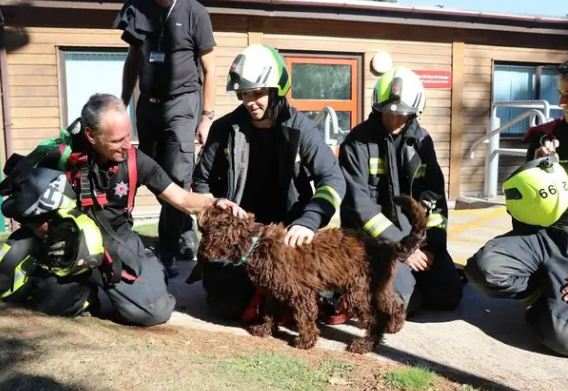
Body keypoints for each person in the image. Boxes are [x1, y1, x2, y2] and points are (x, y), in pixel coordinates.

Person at [0, 93, 243, 327]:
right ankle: (84, 293)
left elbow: (179, 197)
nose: (126, 145)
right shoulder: (61, 155)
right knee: (46, 301)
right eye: (117, 141)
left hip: (119, 240)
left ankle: (149, 272)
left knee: (153, 312)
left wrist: (213, 203)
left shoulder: (136, 160)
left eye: (128, 136)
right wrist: (42, 227)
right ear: (91, 135)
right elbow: (15, 201)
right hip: (70, 242)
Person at [191, 44, 346, 320]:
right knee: (225, 307)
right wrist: (215, 208)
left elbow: (332, 179)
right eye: (244, 94)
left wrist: (308, 221)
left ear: (277, 90)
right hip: (240, 238)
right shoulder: (224, 129)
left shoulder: (301, 128)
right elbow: (200, 182)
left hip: (288, 235)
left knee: (314, 302)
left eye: (258, 93)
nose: (250, 101)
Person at [465, 54, 568, 359]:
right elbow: (522, 206)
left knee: (565, 339)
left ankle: (564, 310)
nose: (562, 101)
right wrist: (536, 166)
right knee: (485, 268)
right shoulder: (550, 138)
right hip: (549, 234)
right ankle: (546, 293)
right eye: (560, 93)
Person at [339, 66, 462, 316]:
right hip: (374, 242)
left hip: (415, 240)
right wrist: (403, 248)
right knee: (402, 304)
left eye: (403, 114)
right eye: (388, 113)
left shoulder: (421, 141)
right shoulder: (357, 142)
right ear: (378, 108)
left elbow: (435, 198)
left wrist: (433, 248)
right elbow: (360, 207)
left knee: (448, 295)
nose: (394, 120)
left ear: (415, 112)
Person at [114, 0, 217, 273]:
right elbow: (133, 59)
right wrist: (122, 105)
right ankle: (183, 232)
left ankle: (167, 253)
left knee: (176, 175)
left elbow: (210, 69)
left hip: (182, 103)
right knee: (149, 172)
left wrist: (207, 116)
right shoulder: (136, 8)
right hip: (147, 104)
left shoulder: (195, 12)